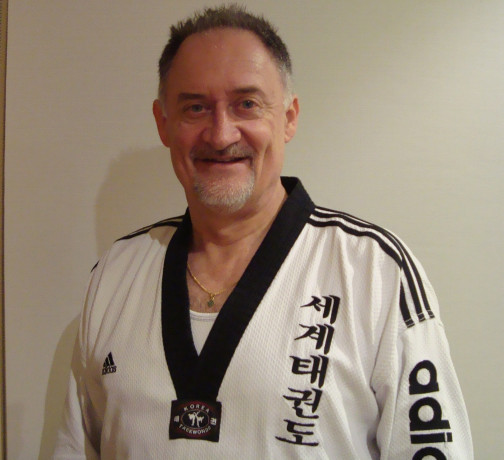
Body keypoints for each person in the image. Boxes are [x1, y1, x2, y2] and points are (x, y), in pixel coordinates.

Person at [54, 5, 473, 459]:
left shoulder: (374, 273)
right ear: (163, 123)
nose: (220, 134)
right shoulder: (115, 275)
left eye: (247, 104)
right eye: (195, 107)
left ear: (289, 117)